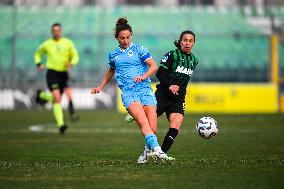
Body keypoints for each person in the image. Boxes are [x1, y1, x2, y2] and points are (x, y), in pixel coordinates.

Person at [91, 17, 174, 163]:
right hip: (129, 93)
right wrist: (100, 87)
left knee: (153, 129)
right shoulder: (114, 55)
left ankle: (145, 153)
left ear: (131, 35)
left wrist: (143, 77)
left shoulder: (140, 49)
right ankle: (159, 151)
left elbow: (153, 66)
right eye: (122, 38)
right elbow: (110, 71)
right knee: (143, 124)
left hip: (145, 89)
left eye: (128, 37)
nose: (125, 40)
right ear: (117, 37)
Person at [126, 30, 198, 163]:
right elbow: (159, 74)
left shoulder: (194, 60)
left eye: (190, 41)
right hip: (163, 95)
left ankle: (160, 153)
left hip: (178, 98)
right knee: (150, 126)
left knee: (176, 124)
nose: (187, 43)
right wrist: (170, 85)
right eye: (185, 40)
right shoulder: (171, 55)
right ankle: (137, 111)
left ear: (193, 43)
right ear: (180, 41)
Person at [34, 23, 79, 134]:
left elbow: (75, 55)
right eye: (54, 30)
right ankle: (61, 125)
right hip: (52, 73)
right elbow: (38, 54)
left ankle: (42, 95)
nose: (56, 32)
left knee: (56, 99)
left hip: (63, 74)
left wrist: (72, 62)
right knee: (58, 99)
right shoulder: (46, 44)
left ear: (61, 31)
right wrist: (38, 63)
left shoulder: (68, 43)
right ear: (52, 32)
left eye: (58, 30)